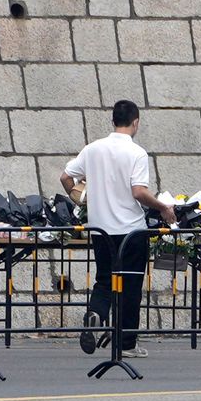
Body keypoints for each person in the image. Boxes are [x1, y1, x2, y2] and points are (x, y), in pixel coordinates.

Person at [64, 99, 159, 359]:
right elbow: (139, 191)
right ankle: (126, 343)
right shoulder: (137, 153)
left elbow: (66, 177)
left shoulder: (92, 149)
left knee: (104, 279)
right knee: (130, 286)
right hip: (130, 231)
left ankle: (96, 313)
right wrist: (163, 207)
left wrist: (79, 199)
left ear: (112, 120)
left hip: (100, 228)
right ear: (136, 122)